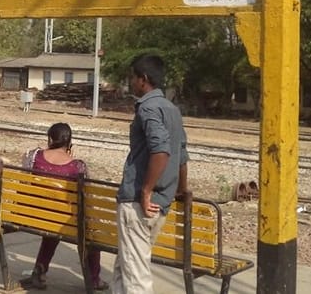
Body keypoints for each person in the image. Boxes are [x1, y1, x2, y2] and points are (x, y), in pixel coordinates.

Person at [112, 54, 188, 294]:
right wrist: (181, 189)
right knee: (125, 267)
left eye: (132, 77)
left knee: (136, 277)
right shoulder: (172, 110)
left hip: (139, 203)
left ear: (143, 79)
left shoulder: (148, 108)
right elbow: (181, 155)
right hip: (161, 202)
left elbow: (161, 150)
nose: (131, 82)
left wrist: (145, 192)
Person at [19, 122, 108, 291]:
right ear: (70, 143)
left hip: (31, 216)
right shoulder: (77, 166)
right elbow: (86, 198)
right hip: (61, 220)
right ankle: (94, 279)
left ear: (50, 139)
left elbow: (24, 180)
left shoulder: (34, 156)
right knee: (90, 232)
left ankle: (39, 271)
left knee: (53, 223)